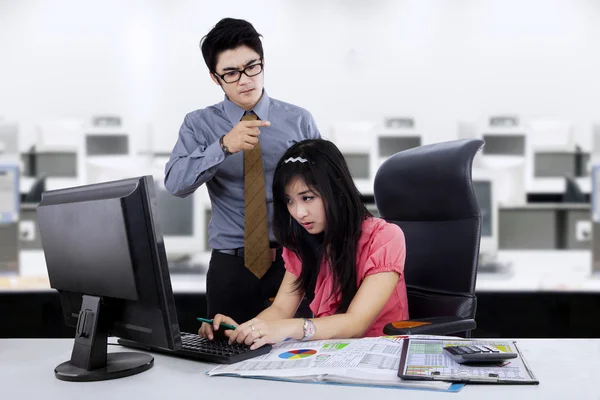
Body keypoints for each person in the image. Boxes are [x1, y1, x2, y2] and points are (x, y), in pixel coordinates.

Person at [164, 18, 321, 326]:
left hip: (294, 262)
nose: (245, 80)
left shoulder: (299, 121)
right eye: (231, 73)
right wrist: (222, 145)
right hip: (231, 268)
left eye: (252, 67)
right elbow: (175, 184)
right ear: (215, 78)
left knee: (296, 357)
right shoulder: (199, 124)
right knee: (224, 356)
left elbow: (326, 191)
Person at [199, 139, 409, 348]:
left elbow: (356, 323)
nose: (299, 213)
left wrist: (291, 328)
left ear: (336, 190)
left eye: (307, 198)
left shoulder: (385, 237)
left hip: (378, 354)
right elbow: (281, 309)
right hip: (329, 354)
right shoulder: (302, 243)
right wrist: (243, 330)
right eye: (289, 201)